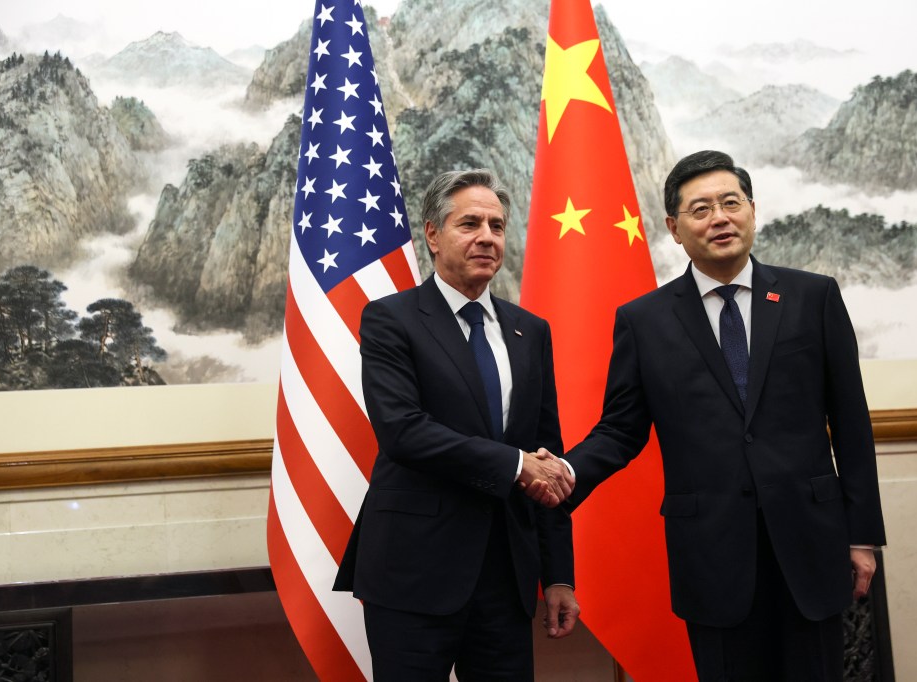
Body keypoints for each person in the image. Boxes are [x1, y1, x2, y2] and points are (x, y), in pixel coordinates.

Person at [563, 150, 886, 680]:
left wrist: (863, 535)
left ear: (752, 211)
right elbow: (621, 430)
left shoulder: (813, 297)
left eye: (731, 203)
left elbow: (852, 426)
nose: (720, 218)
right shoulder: (644, 321)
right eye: (701, 209)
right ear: (674, 227)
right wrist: (565, 476)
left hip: (811, 543)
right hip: (711, 555)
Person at [334, 168, 580, 681]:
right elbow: (403, 431)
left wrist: (559, 575)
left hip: (507, 578)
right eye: (470, 223)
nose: (487, 237)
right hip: (414, 572)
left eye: (497, 225)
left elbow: (547, 457)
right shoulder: (391, 319)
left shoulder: (529, 331)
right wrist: (515, 466)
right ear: (432, 234)